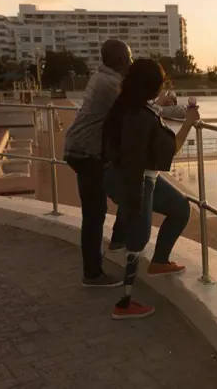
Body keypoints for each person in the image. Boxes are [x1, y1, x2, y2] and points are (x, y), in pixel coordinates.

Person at [102, 58, 200, 319]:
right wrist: (189, 122)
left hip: (124, 175)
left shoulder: (125, 106)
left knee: (180, 208)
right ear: (153, 87)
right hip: (138, 180)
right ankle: (124, 303)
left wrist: (157, 108)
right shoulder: (140, 117)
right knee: (138, 239)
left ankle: (159, 261)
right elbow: (169, 151)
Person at [64, 40, 133, 287]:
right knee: (95, 213)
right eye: (130, 58)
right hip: (87, 153)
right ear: (122, 60)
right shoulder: (110, 84)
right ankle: (92, 274)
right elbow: (136, 110)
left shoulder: (101, 77)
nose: (131, 62)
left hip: (83, 151)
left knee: (121, 195)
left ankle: (117, 240)